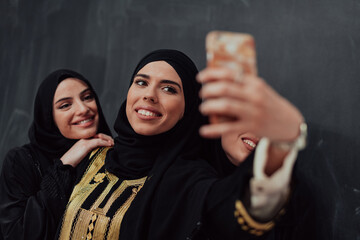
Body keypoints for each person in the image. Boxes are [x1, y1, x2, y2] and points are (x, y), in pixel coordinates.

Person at [58, 49, 306, 240]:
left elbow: (235, 212)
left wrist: (279, 148)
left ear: (188, 109)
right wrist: (62, 166)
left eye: (169, 89)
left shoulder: (187, 177)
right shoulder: (91, 157)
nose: (149, 95)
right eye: (141, 82)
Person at [0, 69, 113, 240]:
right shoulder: (22, 160)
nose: (83, 109)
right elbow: (17, 234)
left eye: (87, 97)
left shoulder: (114, 156)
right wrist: (66, 163)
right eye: (65, 105)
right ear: (48, 116)